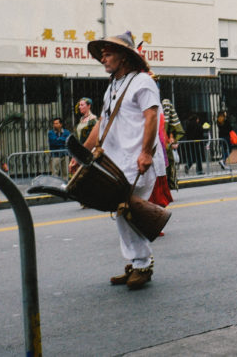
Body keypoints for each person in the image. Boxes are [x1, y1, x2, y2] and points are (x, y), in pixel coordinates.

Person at [74, 31, 166, 290]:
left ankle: (142, 264)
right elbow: (102, 122)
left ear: (124, 57)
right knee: (123, 214)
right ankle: (136, 263)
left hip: (135, 161)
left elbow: (152, 117)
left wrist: (146, 152)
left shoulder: (143, 83)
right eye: (101, 54)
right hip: (115, 162)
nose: (103, 58)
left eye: (108, 53)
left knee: (129, 213)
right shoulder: (113, 85)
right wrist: (82, 152)